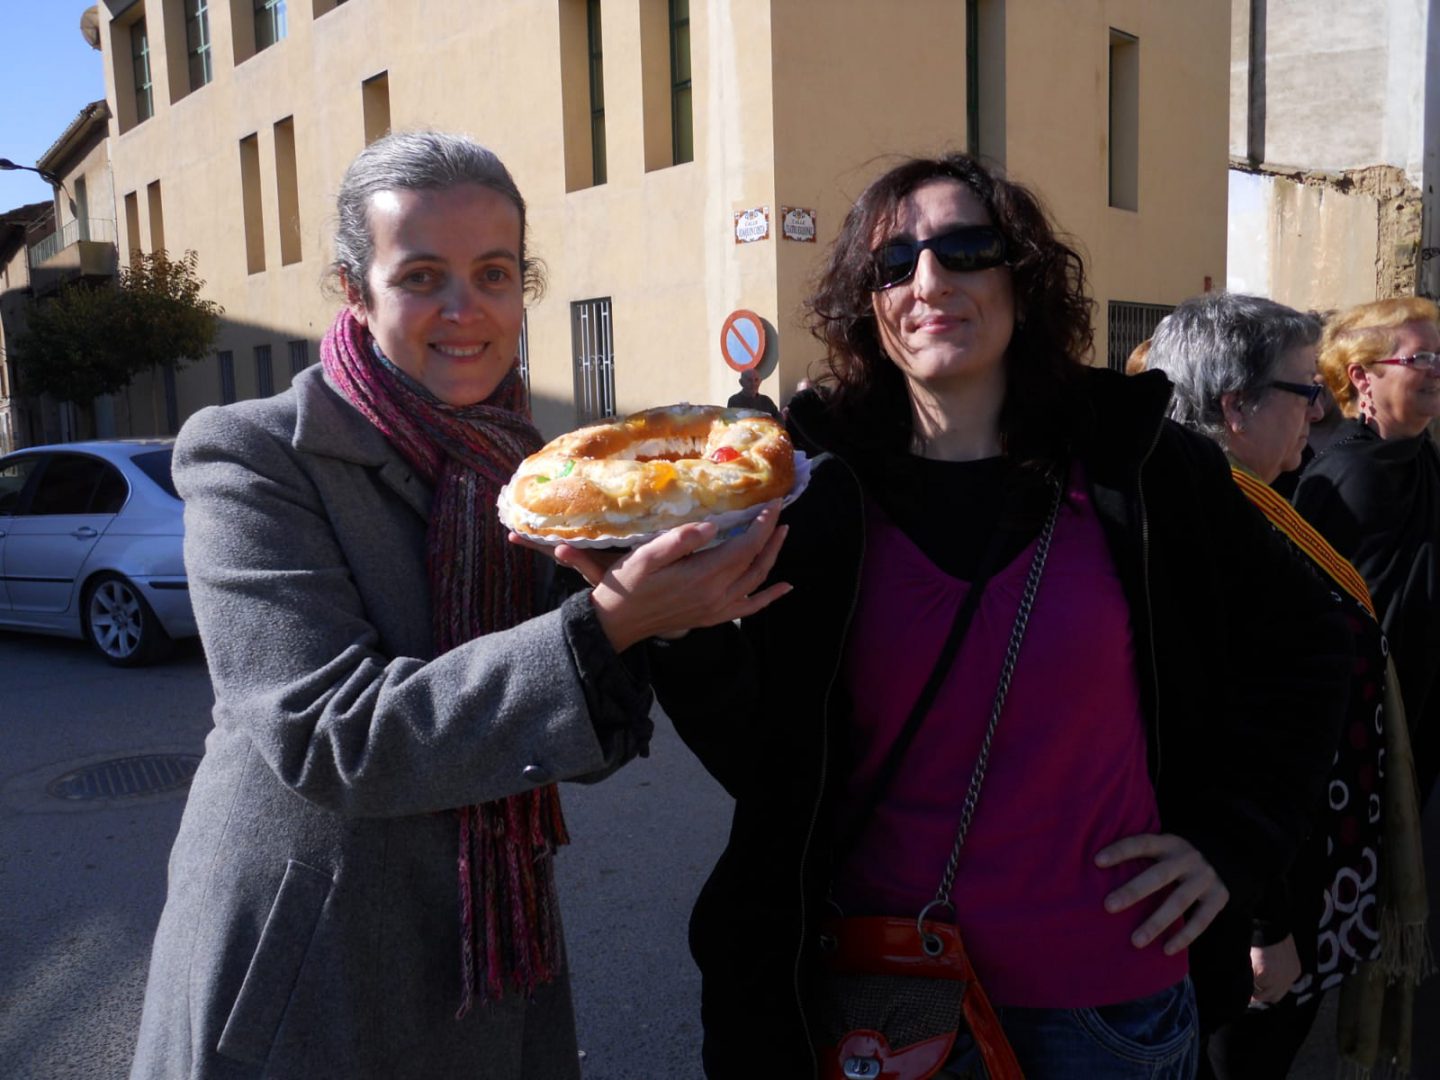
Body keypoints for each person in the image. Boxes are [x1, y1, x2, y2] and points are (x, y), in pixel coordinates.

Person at [628, 153, 1350, 1078]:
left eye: (967, 249)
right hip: (879, 994)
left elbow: (1307, 644)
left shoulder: (1143, 467)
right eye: (895, 264)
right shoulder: (811, 491)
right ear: (869, 301)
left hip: (1106, 1000)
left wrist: (1234, 841)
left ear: (1023, 276)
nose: (930, 281)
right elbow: (767, 755)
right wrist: (676, 628)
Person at [128, 131, 786, 1080]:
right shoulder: (252, 454)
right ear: (354, 290)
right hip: (312, 969)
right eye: (422, 275)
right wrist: (604, 626)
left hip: (494, 957)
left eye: (493, 273)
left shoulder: (548, 477)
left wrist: (666, 610)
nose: (463, 310)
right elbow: (326, 734)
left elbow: (585, 738)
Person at [1148, 293, 1427, 1078]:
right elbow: (1228, 737)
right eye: (1307, 390)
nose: (1320, 411)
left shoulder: (1256, 508)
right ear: (1237, 407)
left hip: (1293, 872)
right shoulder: (1213, 533)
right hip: (1255, 897)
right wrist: (1264, 925)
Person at [1294, 297, 1440, 810]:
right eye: (1420, 359)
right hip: (1366, 739)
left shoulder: (1421, 456)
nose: (1435, 372)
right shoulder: (1345, 479)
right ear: (1362, 377)